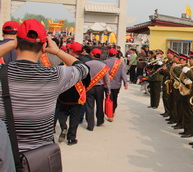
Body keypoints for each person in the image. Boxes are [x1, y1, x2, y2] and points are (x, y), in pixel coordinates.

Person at [0, 19, 89, 153]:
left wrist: (12, 43)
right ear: (43, 48)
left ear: (17, 44)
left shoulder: (2, 74)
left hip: (5, 158)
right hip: (39, 160)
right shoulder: (54, 76)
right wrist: (57, 51)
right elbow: (83, 69)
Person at [56, 42, 91, 145]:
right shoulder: (84, 65)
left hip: (64, 95)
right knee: (75, 117)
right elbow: (87, 81)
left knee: (62, 113)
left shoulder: (62, 64)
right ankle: (71, 138)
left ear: (71, 51)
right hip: (77, 96)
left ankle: (63, 127)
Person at [85, 48, 111, 131]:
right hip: (100, 88)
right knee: (100, 105)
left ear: (92, 54)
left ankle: (90, 125)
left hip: (89, 87)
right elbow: (107, 79)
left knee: (89, 106)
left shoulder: (86, 64)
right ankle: (100, 121)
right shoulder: (103, 66)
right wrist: (108, 89)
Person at [104, 48, 128, 121]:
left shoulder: (105, 62)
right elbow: (123, 74)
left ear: (109, 54)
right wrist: (125, 83)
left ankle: (109, 114)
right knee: (114, 98)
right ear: (115, 54)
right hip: (116, 85)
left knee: (109, 98)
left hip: (107, 84)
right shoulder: (120, 63)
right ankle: (112, 112)